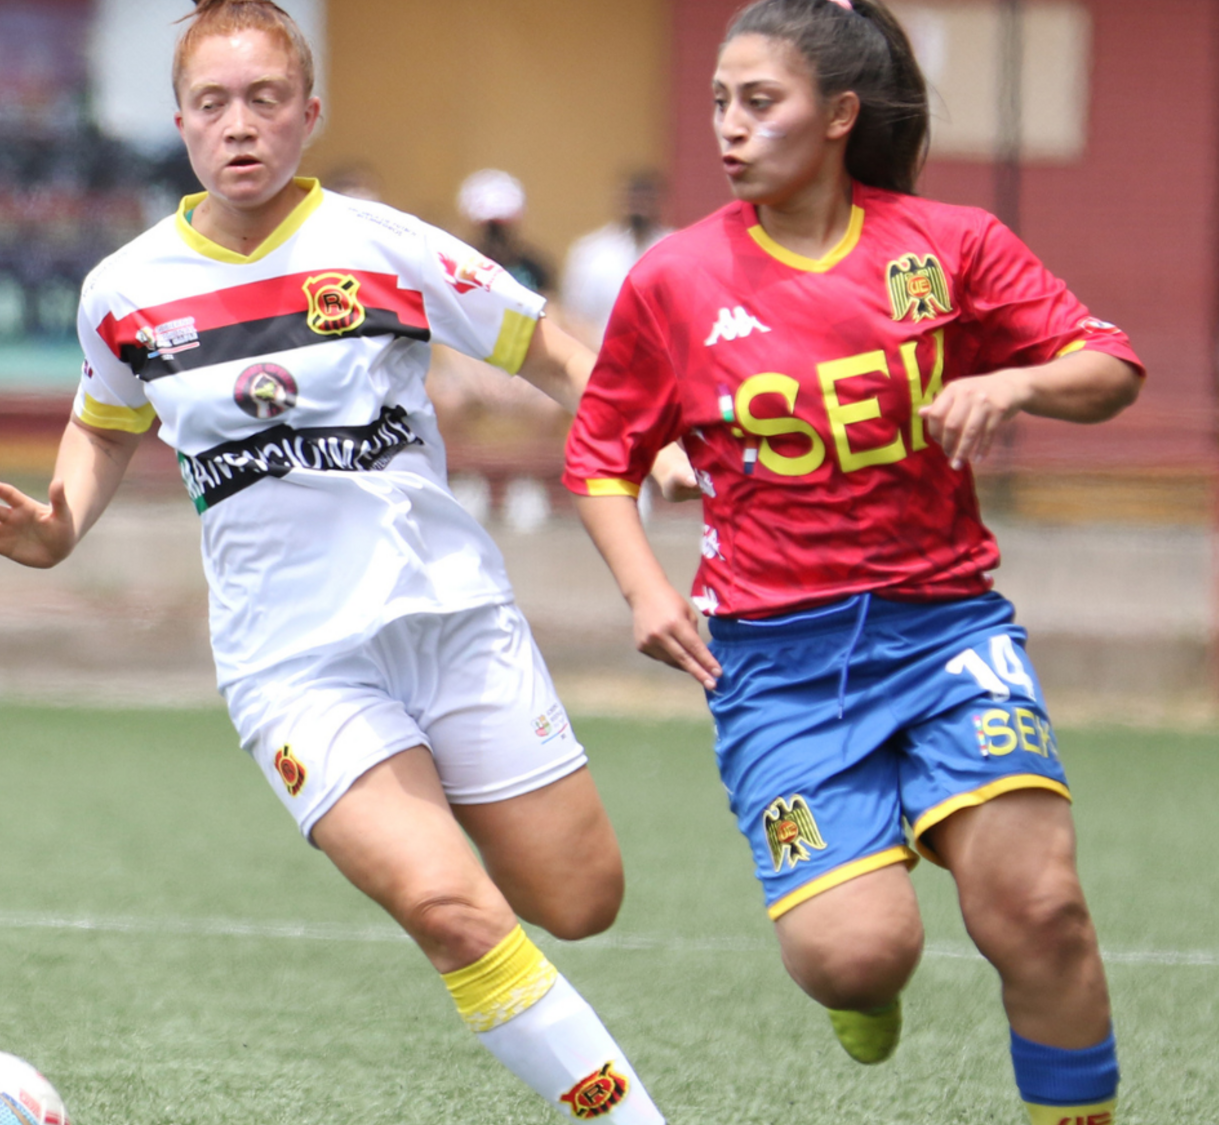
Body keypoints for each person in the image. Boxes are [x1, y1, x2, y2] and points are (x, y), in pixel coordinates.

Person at [0, 3, 666, 1121]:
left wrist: (646, 449)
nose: (238, 126)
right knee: (452, 911)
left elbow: (558, 357)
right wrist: (57, 528)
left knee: (579, 899)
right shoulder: (124, 290)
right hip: (292, 660)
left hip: (451, 619)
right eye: (212, 104)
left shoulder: (386, 245)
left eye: (263, 100)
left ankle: (441, 791)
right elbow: (104, 425)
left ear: (307, 113)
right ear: (181, 123)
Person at [563, 1, 1143, 1122]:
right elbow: (599, 457)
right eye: (720, 103)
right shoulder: (674, 280)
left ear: (836, 116)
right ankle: (861, 983)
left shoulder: (946, 247)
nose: (730, 127)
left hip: (945, 631)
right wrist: (644, 591)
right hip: (775, 668)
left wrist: (1011, 382)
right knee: (856, 954)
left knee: (1038, 908)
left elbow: (1108, 364)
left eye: (758, 102)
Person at [562, 171, 673, 350]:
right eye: (634, 198)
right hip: (603, 357)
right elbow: (575, 317)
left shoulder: (677, 250)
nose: (639, 206)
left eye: (646, 198)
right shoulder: (590, 253)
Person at [459, 168, 555, 296]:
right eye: (490, 228)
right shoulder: (459, 267)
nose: (495, 239)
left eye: (501, 229)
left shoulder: (534, 270)